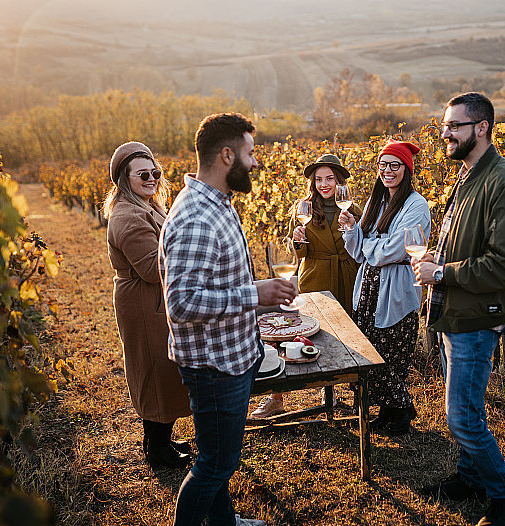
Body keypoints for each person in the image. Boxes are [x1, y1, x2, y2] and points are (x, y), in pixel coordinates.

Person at [159, 113, 296, 526]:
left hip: (229, 356)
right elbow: (181, 303)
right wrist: (256, 293)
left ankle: (224, 523)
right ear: (226, 155)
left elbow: (216, 282)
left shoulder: (215, 203)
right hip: (214, 367)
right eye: (250, 153)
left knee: (217, 457)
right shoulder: (196, 218)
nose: (255, 163)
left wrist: (260, 301)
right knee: (215, 464)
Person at [414, 93, 505, 526]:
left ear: (481, 128)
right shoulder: (467, 177)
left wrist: (441, 273)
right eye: (444, 126)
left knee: (463, 418)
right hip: (452, 313)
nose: (445, 133)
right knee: (466, 409)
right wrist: (431, 260)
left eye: (454, 126)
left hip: (475, 319)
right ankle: (469, 477)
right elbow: (457, 241)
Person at [250, 154, 362, 419]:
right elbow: (296, 254)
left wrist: (354, 229)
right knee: (303, 334)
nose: (324, 184)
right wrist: (297, 241)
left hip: (347, 275)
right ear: (313, 182)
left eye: (330, 179)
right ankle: (276, 397)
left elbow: (360, 248)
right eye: (319, 179)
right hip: (316, 277)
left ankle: (355, 396)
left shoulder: (353, 210)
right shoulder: (304, 209)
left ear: (339, 181)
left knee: (351, 336)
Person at [104, 141, 192, 470]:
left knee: (164, 370)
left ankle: (161, 439)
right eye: (143, 174)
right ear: (124, 179)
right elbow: (153, 269)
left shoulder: (146, 205)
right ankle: (156, 449)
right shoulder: (127, 216)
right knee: (154, 371)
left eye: (155, 172)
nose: (152, 178)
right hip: (143, 300)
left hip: (155, 298)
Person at [338, 140, 431, 436]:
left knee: (391, 352)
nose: (388, 171)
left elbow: (389, 252)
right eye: (383, 165)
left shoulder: (416, 205)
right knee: (371, 350)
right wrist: (353, 229)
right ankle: (392, 411)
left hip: (396, 289)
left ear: (407, 168)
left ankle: (401, 410)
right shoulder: (376, 201)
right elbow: (359, 252)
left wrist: (368, 244)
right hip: (368, 287)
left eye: (395, 165)